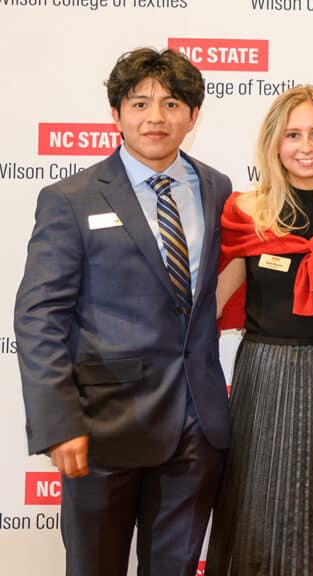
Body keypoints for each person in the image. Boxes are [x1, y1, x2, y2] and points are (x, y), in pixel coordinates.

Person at [13, 48, 231, 575]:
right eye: (139, 103)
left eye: (171, 103)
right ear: (116, 114)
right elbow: (39, 318)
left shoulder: (217, 188)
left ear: (193, 116)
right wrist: (57, 422)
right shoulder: (71, 198)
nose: (156, 117)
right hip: (103, 429)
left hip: (196, 431)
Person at [205, 85, 313, 575]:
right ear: (274, 144)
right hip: (267, 371)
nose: (306, 146)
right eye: (293, 135)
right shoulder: (248, 214)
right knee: (260, 506)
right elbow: (213, 303)